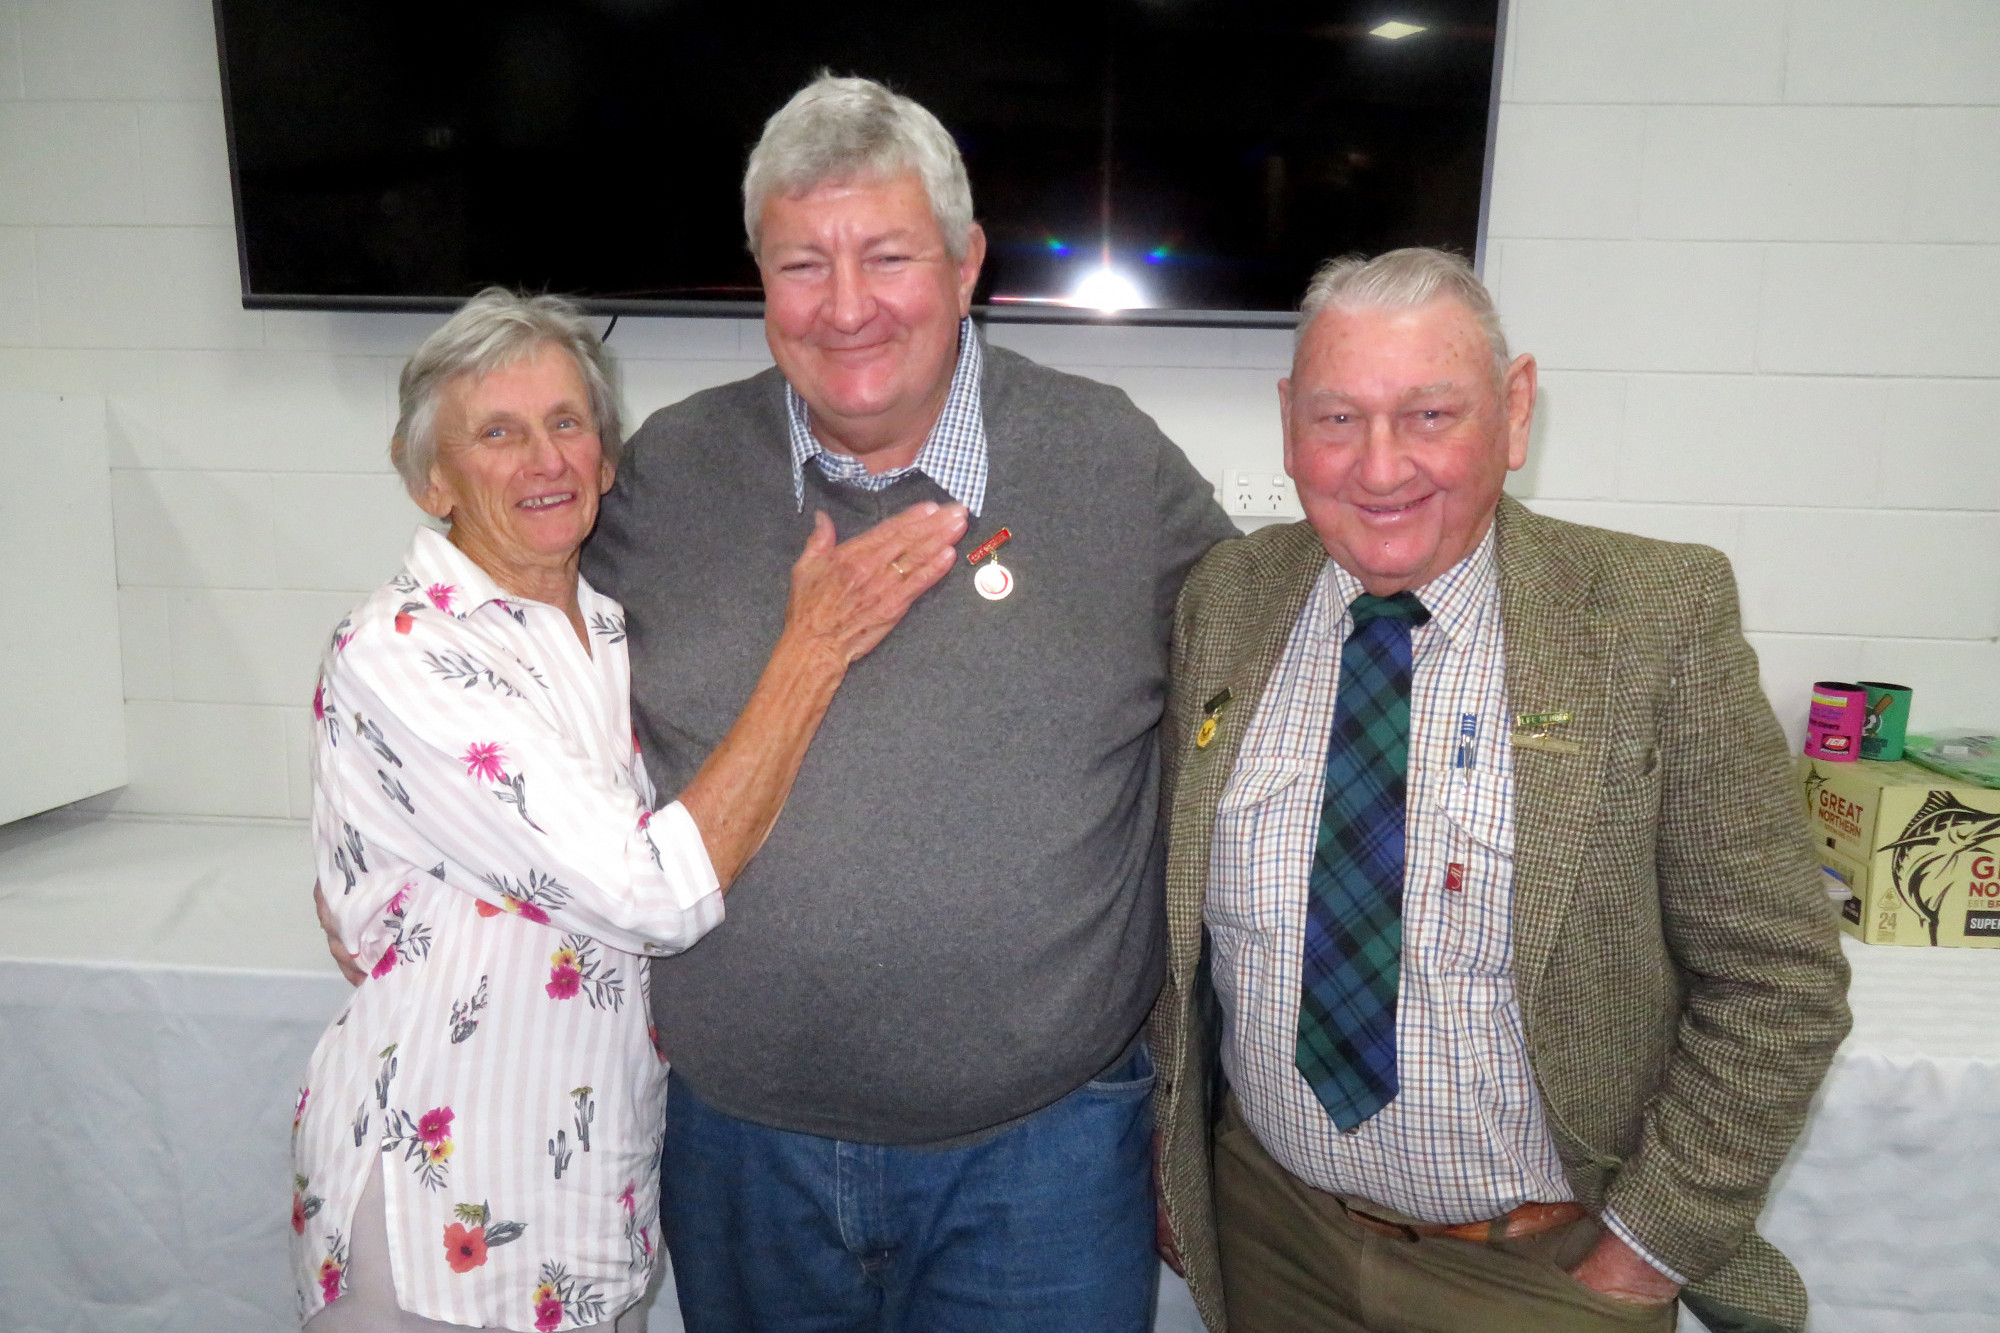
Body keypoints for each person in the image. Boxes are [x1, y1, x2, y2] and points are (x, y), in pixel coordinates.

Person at [580, 75, 1238, 1331]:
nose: (844, 308)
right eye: (799, 264)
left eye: (886, 256)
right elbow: (521, 677)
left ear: (967, 260)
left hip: (1039, 1158)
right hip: (736, 1149)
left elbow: (1266, 669)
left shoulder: (1110, 463)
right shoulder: (665, 472)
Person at [1151, 249, 1852, 1333]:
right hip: (1272, 1235)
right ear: (1288, 421)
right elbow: (1174, 937)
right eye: (1336, 419)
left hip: (1538, 1272)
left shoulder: (1652, 617)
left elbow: (1777, 979)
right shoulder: (1227, 601)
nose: (1379, 468)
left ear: (1513, 412)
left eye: (1430, 414)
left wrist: (1638, 1257)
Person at [295, 288, 966, 1331]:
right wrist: (813, 648)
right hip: (446, 1204)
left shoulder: (609, 627)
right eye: (498, 433)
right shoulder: (406, 649)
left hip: (582, 1193)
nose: (544, 460)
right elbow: (648, 891)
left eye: (567, 424)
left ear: (608, 457)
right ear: (431, 473)